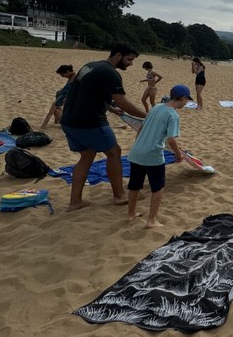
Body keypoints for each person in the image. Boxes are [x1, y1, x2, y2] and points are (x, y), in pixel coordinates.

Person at [61, 44, 146, 212]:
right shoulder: (110, 73)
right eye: (129, 59)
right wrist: (147, 116)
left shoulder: (90, 66)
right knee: (114, 152)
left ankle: (75, 201)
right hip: (89, 122)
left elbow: (88, 93)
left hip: (69, 120)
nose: (130, 63)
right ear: (117, 55)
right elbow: (123, 101)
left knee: (87, 156)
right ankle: (119, 195)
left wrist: (112, 109)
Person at [126, 84, 190, 229]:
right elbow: (171, 139)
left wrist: (139, 143)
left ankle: (131, 214)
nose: (186, 103)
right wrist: (178, 155)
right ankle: (151, 220)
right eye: (187, 100)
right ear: (183, 98)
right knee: (158, 187)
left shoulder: (156, 107)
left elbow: (141, 127)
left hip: (137, 152)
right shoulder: (173, 115)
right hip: (153, 155)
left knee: (135, 185)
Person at [40, 65, 76, 129]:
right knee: (56, 109)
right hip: (66, 97)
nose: (62, 76)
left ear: (67, 71)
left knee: (54, 107)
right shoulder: (71, 77)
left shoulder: (75, 77)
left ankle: (43, 126)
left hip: (69, 98)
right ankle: (58, 122)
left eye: (62, 74)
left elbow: (70, 90)